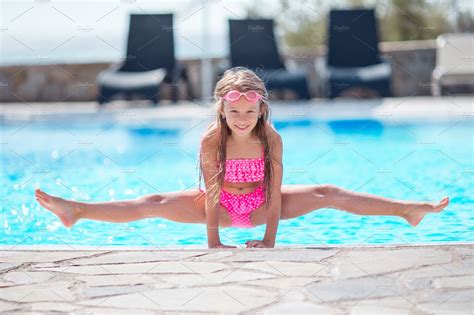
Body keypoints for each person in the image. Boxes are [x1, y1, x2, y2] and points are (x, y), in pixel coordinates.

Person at [35, 67, 450, 249]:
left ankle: (407, 210)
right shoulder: (212, 140)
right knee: (155, 203)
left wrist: (269, 239)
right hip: (219, 205)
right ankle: (77, 210)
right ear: (221, 110)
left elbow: (274, 190)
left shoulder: (271, 138)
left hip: (261, 205)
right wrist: (214, 240)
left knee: (328, 191)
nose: (242, 119)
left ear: (261, 110)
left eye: (249, 112)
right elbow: (212, 194)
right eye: (234, 112)